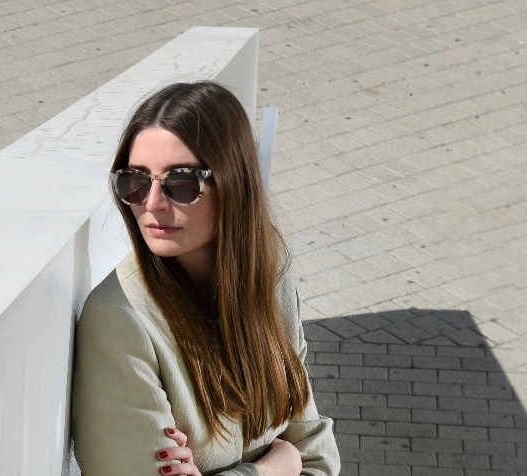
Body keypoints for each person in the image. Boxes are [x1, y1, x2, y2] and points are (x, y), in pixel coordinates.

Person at [72, 81, 340, 476]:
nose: (152, 203)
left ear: (233, 183)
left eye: (181, 182)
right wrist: (272, 468)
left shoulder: (273, 291)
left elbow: (319, 459)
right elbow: (298, 456)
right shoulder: (119, 319)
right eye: (136, 181)